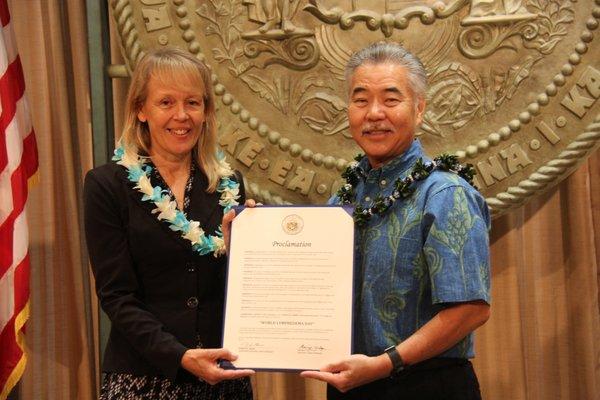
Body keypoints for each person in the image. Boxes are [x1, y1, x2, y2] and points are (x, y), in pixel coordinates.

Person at [300, 42, 491, 399]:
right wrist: (248, 243)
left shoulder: (445, 194)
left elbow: (471, 309)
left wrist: (385, 363)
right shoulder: (343, 200)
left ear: (419, 109)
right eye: (361, 100)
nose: (374, 113)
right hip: (351, 384)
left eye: (390, 99)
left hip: (426, 386)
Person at [83, 47, 254, 399]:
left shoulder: (229, 184)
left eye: (193, 103)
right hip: (143, 377)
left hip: (223, 378)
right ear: (140, 110)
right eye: (166, 103)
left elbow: (244, 293)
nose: (182, 116)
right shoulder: (106, 185)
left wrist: (246, 254)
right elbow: (117, 296)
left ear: (206, 111)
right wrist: (179, 356)